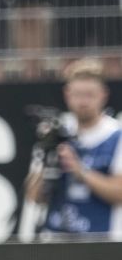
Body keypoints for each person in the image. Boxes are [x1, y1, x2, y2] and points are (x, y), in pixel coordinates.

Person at [24, 59, 122, 235]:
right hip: (57, 238)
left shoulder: (116, 135)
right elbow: (34, 196)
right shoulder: (55, 132)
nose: (83, 102)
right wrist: (48, 163)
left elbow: (119, 193)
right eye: (77, 95)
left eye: (90, 95)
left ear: (104, 95)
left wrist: (79, 170)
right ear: (67, 94)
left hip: (103, 240)